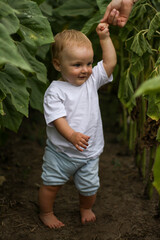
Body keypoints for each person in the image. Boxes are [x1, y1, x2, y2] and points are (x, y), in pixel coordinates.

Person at [38, 22, 117, 229]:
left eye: (89, 63)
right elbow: (58, 119)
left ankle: (85, 208)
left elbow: (109, 64)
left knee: (89, 187)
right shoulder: (55, 91)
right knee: (50, 185)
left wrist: (105, 39)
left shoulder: (91, 81)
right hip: (60, 152)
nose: (85, 70)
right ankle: (46, 212)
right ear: (58, 64)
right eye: (77, 65)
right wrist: (72, 136)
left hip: (89, 154)